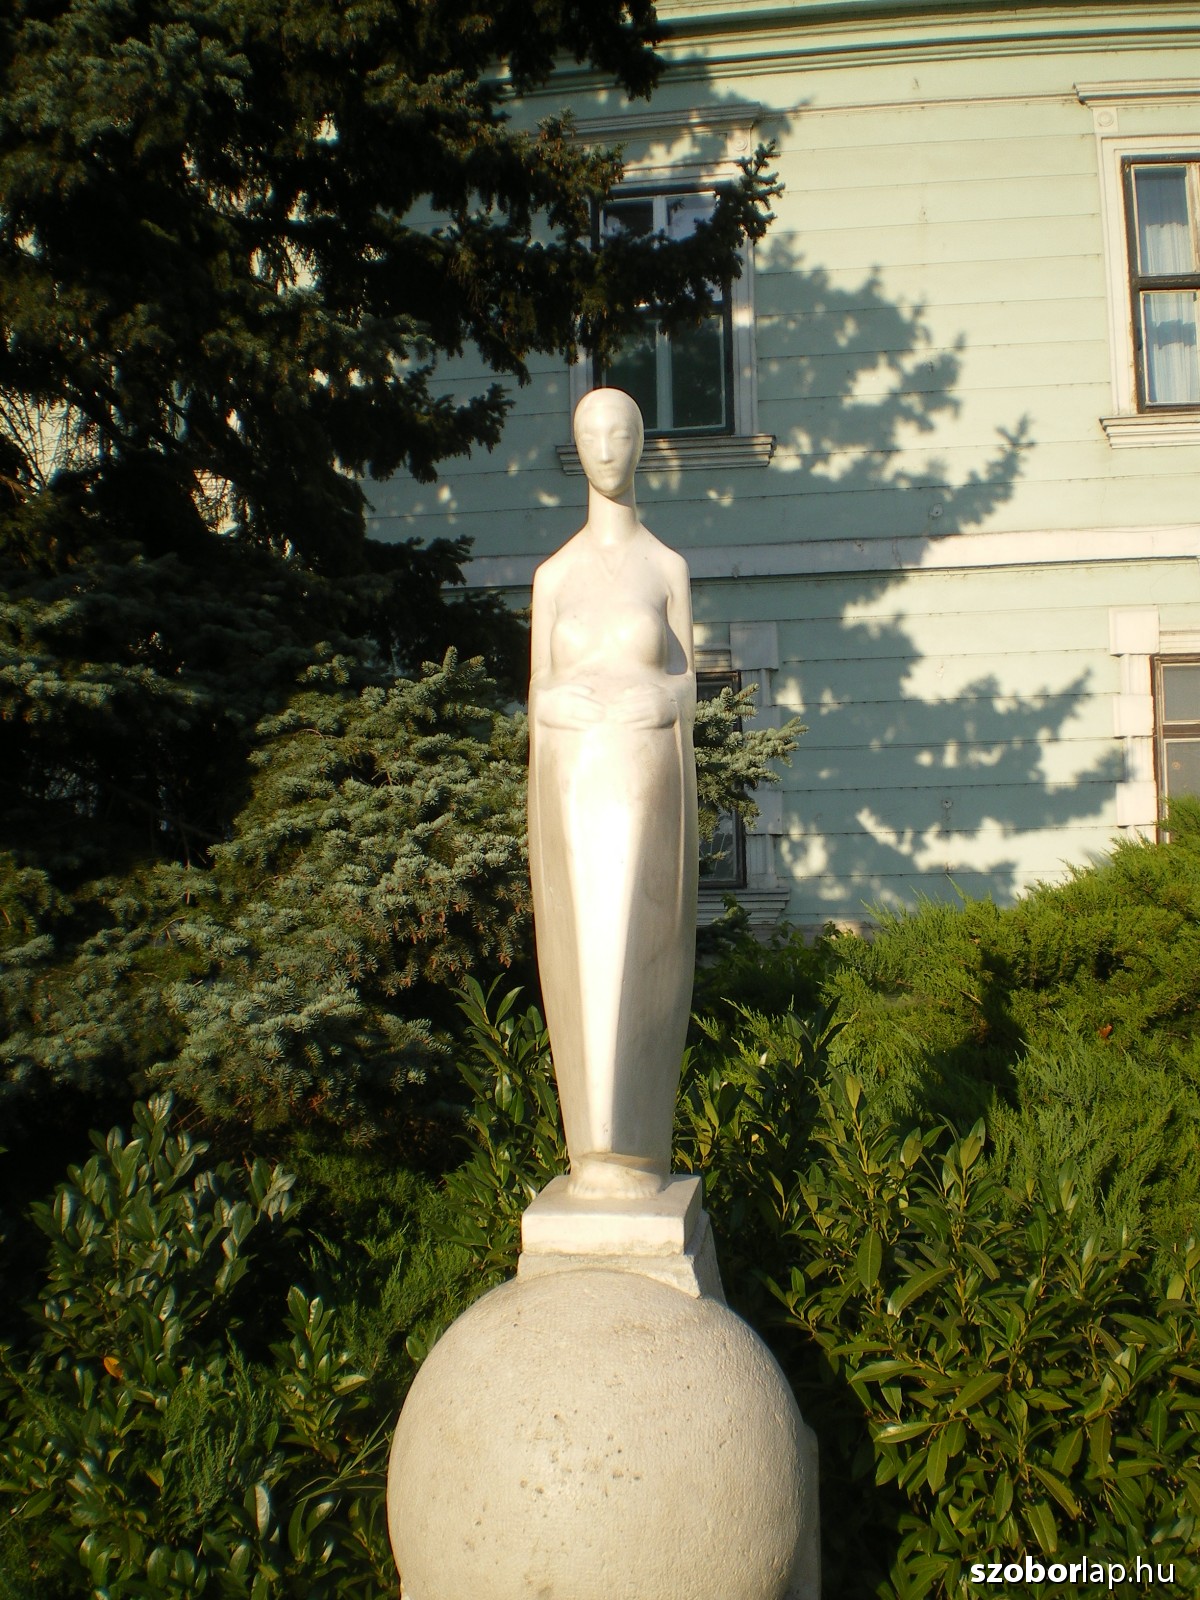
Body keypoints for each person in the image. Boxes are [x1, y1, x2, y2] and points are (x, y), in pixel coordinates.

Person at [528, 388, 698, 1199]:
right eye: (591, 435)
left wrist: (660, 699)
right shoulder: (553, 576)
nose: (606, 449)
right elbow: (536, 688)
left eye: (620, 433)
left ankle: (634, 1146)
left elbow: (687, 685)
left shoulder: (667, 569)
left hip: (642, 775)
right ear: (577, 446)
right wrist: (556, 704)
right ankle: (591, 1151)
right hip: (573, 777)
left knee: (636, 940)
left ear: (640, 444)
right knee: (583, 948)